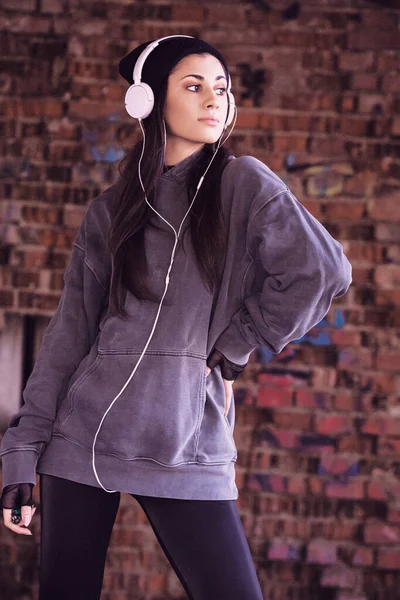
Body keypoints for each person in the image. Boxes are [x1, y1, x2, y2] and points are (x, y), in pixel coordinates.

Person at [0, 35, 352, 599]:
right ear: (148, 100)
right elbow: (69, 338)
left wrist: (241, 341)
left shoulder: (245, 184)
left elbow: (324, 270)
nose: (214, 100)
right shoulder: (110, 211)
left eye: (221, 89)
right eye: (194, 86)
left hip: (187, 443)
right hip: (81, 443)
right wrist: (20, 455)